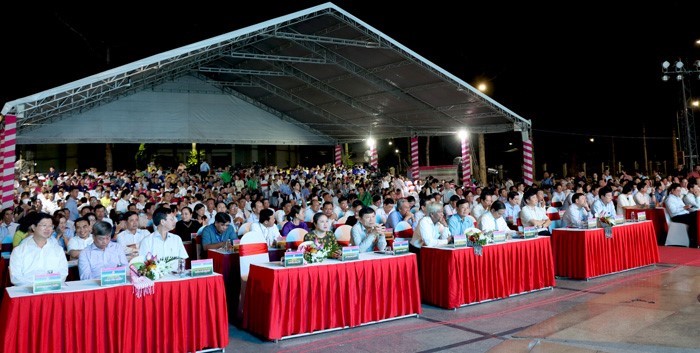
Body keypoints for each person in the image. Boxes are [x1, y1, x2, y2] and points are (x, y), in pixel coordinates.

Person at [9, 212, 69, 286]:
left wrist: (49, 284)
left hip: (52, 290)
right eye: (44, 225)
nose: (48, 229)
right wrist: (36, 285)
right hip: (27, 292)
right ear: (33, 227)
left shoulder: (58, 250)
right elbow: (15, 277)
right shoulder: (19, 251)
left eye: (50, 226)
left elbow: (63, 272)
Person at [665, 182, 698, 248]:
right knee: (694, 219)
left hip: (684, 214)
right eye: (678, 190)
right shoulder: (669, 199)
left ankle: (694, 240)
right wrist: (684, 207)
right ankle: (693, 241)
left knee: (696, 214)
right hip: (677, 217)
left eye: (680, 190)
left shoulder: (678, 198)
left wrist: (688, 208)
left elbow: (684, 207)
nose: (679, 192)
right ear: (672, 190)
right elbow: (673, 211)